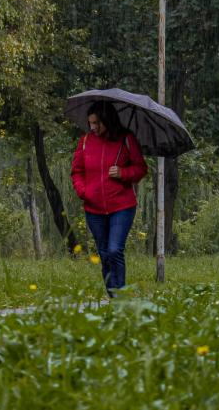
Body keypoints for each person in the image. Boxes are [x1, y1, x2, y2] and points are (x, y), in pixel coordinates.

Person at [71, 100, 147, 296]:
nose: (93, 127)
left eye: (97, 123)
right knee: (104, 254)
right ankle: (113, 295)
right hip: (93, 209)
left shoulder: (126, 139)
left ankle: (120, 295)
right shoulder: (86, 141)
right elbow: (77, 171)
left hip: (121, 206)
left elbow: (140, 168)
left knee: (114, 250)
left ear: (108, 120)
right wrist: (83, 192)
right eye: (91, 123)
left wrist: (123, 173)